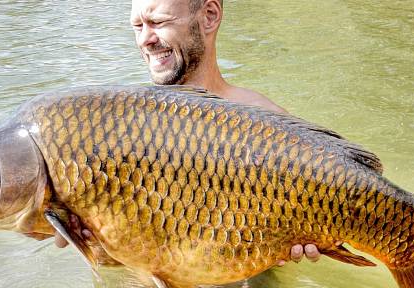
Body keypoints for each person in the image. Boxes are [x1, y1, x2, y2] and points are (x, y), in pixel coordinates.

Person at [55, 0, 321, 265]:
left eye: (158, 22)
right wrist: (95, 246)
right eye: (137, 26)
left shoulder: (275, 129)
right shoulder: (117, 132)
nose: (145, 39)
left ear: (209, 16)